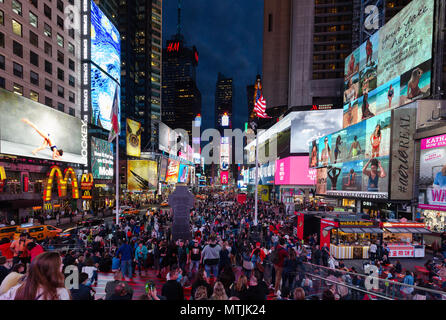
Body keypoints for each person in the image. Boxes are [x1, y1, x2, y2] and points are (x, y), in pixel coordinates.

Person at [0, 252, 70, 300]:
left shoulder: (17, 289)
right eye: (60, 264)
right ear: (52, 269)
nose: (63, 265)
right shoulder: (59, 292)